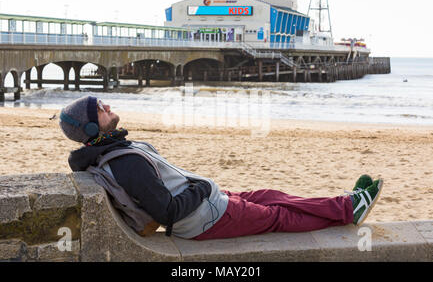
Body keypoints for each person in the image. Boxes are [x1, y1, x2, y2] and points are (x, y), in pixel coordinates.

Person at [59, 95, 383, 240]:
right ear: (90, 129)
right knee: (276, 217)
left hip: (206, 205)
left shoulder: (115, 149)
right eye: (100, 109)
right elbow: (168, 212)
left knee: (268, 194)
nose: (108, 106)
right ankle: (348, 209)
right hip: (202, 217)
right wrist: (202, 188)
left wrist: (203, 188)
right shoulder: (125, 161)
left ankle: (344, 204)